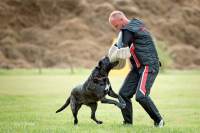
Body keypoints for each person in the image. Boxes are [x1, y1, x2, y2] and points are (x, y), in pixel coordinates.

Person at [108, 11, 165, 128]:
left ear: (121, 20)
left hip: (148, 66)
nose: (115, 29)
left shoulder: (129, 29)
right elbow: (121, 41)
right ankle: (128, 123)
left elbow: (120, 45)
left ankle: (159, 121)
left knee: (141, 96)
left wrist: (110, 60)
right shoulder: (132, 25)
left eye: (116, 26)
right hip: (137, 68)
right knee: (123, 94)